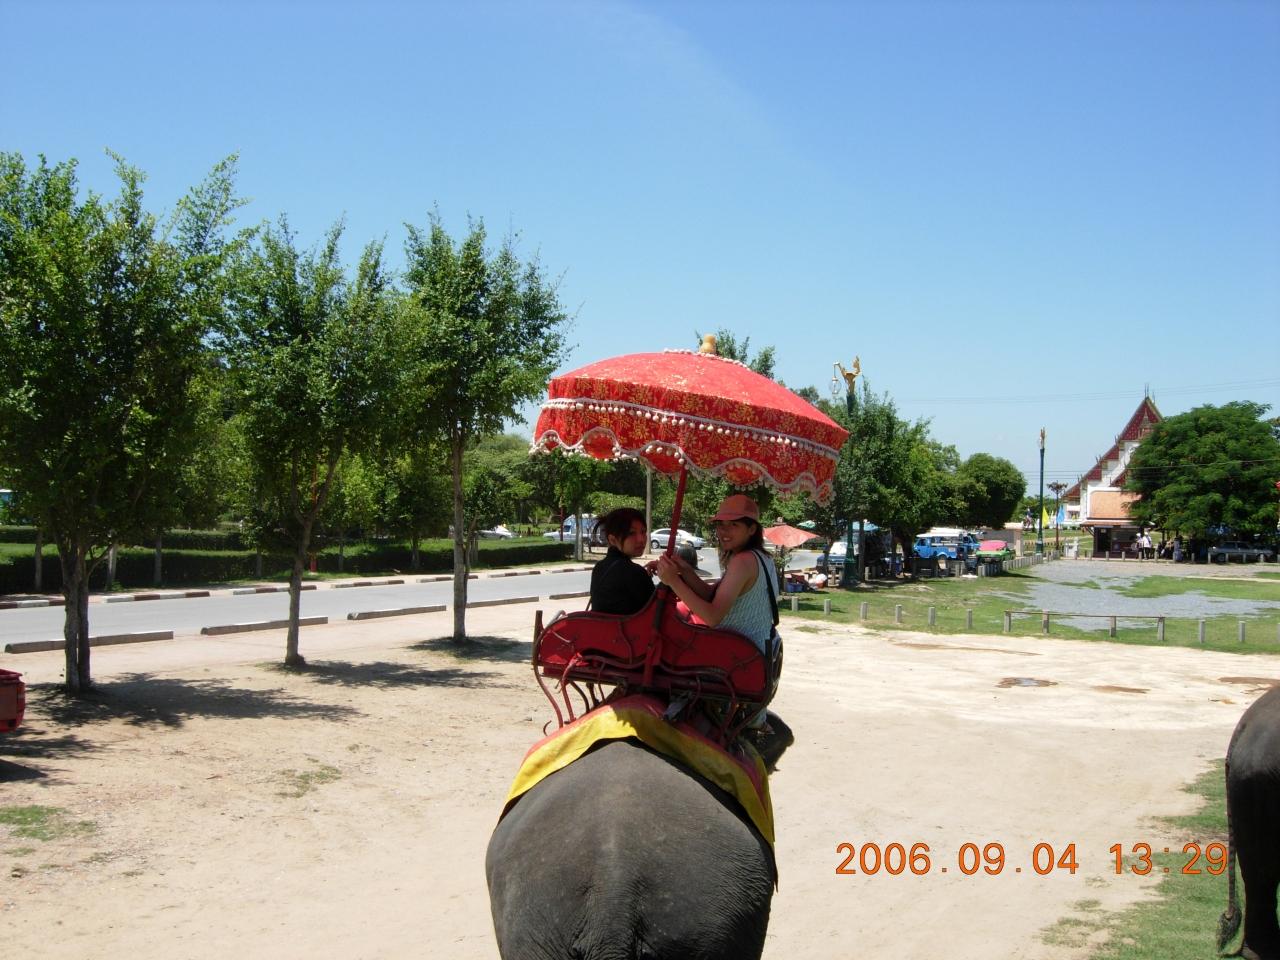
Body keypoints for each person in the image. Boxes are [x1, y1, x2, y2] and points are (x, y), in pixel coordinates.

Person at [654, 494, 779, 656]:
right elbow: (711, 595)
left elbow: (712, 617)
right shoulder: (762, 557)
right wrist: (685, 570)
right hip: (755, 651)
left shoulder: (743, 561)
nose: (724, 531)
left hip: (738, 656)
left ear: (752, 529)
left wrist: (673, 581)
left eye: (733, 524)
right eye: (720, 524)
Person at [588, 507, 656, 615]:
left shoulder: (599, 567)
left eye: (643, 532)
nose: (641, 539)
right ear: (612, 540)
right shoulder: (635, 572)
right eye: (631, 533)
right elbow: (659, 611)